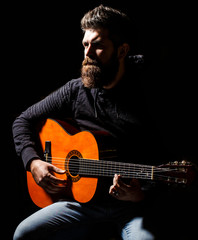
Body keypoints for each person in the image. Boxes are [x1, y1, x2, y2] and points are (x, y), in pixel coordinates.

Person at [12, 5, 195, 240]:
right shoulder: (76, 90)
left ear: (121, 50)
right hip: (81, 203)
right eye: (85, 45)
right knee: (23, 234)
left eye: (97, 45)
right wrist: (33, 162)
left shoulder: (152, 92)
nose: (88, 54)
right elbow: (23, 120)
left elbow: (171, 151)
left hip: (132, 208)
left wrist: (142, 194)